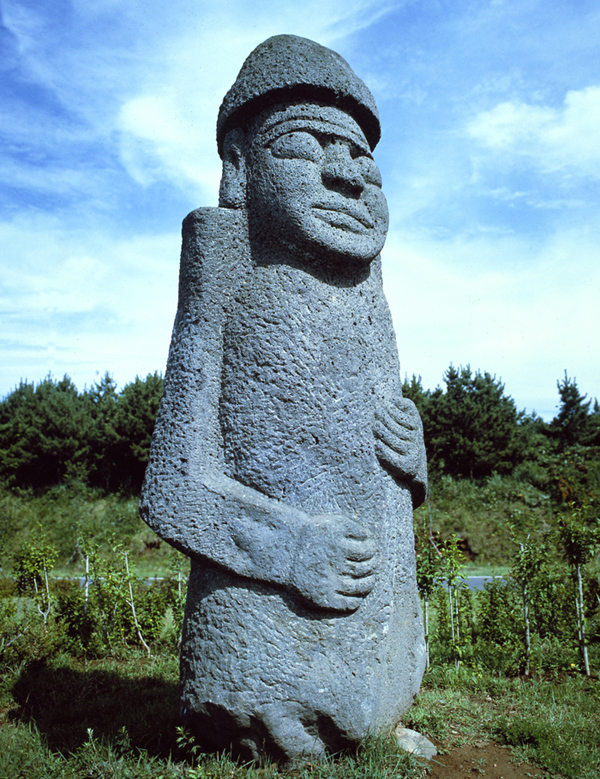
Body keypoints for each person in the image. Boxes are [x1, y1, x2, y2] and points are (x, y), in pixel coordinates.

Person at [140, 34, 427, 763]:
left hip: (374, 643)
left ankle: (379, 710)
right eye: (307, 143)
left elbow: (381, 473)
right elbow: (172, 484)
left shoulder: (372, 299)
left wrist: (413, 456)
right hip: (264, 641)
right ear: (239, 162)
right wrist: (292, 547)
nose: (347, 175)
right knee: (262, 704)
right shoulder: (227, 268)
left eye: (365, 158)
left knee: (379, 688)